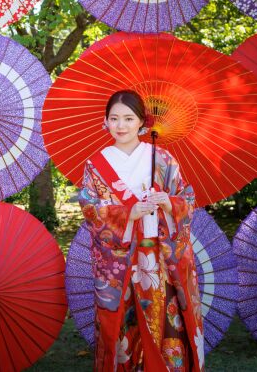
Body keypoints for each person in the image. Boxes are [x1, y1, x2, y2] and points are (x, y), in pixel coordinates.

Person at [78, 90, 204, 372]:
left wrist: (169, 203)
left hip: (159, 256)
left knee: (164, 320)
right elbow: (89, 207)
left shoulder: (162, 158)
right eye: (114, 118)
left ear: (141, 123)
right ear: (105, 122)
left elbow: (188, 199)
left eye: (128, 118)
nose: (120, 126)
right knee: (123, 323)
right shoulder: (96, 165)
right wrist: (127, 213)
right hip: (120, 258)